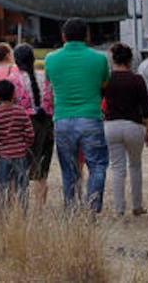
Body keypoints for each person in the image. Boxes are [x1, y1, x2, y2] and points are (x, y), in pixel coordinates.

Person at [44, 17, 110, 212]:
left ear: (63, 36)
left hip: (63, 119)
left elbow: (50, 82)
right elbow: (104, 84)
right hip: (90, 117)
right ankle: (92, 206)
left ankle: (71, 210)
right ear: (87, 36)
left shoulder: (51, 59)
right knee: (97, 166)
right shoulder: (99, 59)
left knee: (69, 170)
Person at [103, 42, 148, 216]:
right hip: (133, 126)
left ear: (113, 60)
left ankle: (119, 208)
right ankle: (137, 205)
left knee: (117, 168)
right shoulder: (137, 79)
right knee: (135, 166)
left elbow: (101, 104)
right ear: (130, 60)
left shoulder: (107, 79)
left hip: (111, 126)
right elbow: (146, 108)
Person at [13, 43, 55, 206]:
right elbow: (52, 100)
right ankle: (39, 211)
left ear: (17, 62)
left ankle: (20, 208)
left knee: (19, 169)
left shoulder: (13, 80)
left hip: (22, 125)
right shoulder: (46, 78)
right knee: (41, 171)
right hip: (45, 123)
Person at [0, 79, 35, 208]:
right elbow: (30, 134)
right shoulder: (21, 112)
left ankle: (4, 215)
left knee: (3, 186)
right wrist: (24, 146)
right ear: (14, 94)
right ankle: (22, 213)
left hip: (4, 156)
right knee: (22, 187)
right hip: (20, 155)